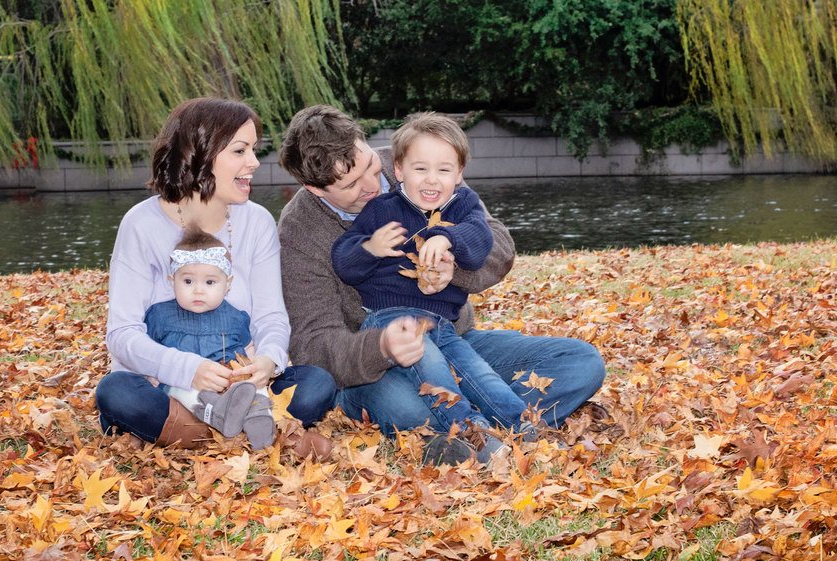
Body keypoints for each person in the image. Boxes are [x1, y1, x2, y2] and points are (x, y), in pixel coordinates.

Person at [277, 104, 606, 462]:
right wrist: (382, 347)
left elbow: (497, 242)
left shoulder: (418, 161)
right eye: (352, 184)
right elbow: (313, 344)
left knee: (581, 363)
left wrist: (455, 268)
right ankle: (466, 424)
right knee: (407, 410)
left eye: (371, 166)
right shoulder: (298, 232)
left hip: (455, 339)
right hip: (374, 370)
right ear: (314, 188)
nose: (373, 185)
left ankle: (480, 421)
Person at [95, 97, 336, 450]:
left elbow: (270, 316)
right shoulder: (141, 224)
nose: (253, 162)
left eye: (253, 150)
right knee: (117, 393)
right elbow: (123, 334)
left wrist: (267, 360)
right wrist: (188, 369)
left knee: (317, 384)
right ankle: (245, 430)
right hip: (165, 384)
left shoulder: (257, 222)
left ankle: (197, 429)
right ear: (201, 154)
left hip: (240, 383)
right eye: (240, 151)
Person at [330, 113, 535, 462]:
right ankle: (480, 439)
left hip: (444, 325)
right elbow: (343, 263)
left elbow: (480, 239)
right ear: (399, 170)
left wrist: (446, 238)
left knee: (479, 375)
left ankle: (527, 430)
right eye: (420, 168)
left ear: (459, 174)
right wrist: (370, 248)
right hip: (393, 320)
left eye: (443, 170)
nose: (432, 179)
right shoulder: (382, 210)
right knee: (438, 377)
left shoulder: (464, 205)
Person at [144, 226, 274, 449]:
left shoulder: (236, 317)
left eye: (210, 282)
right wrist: (151, 378)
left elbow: (248, 352)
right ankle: (219, 414)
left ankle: (259, 417)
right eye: (188, 282)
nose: (198, 290)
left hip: (229, 380)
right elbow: (148, 352)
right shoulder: (159, 315)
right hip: (186, 385)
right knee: (182, 389)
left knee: (252, 385)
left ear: (228, 284)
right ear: (171, 280)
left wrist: (250, 370)